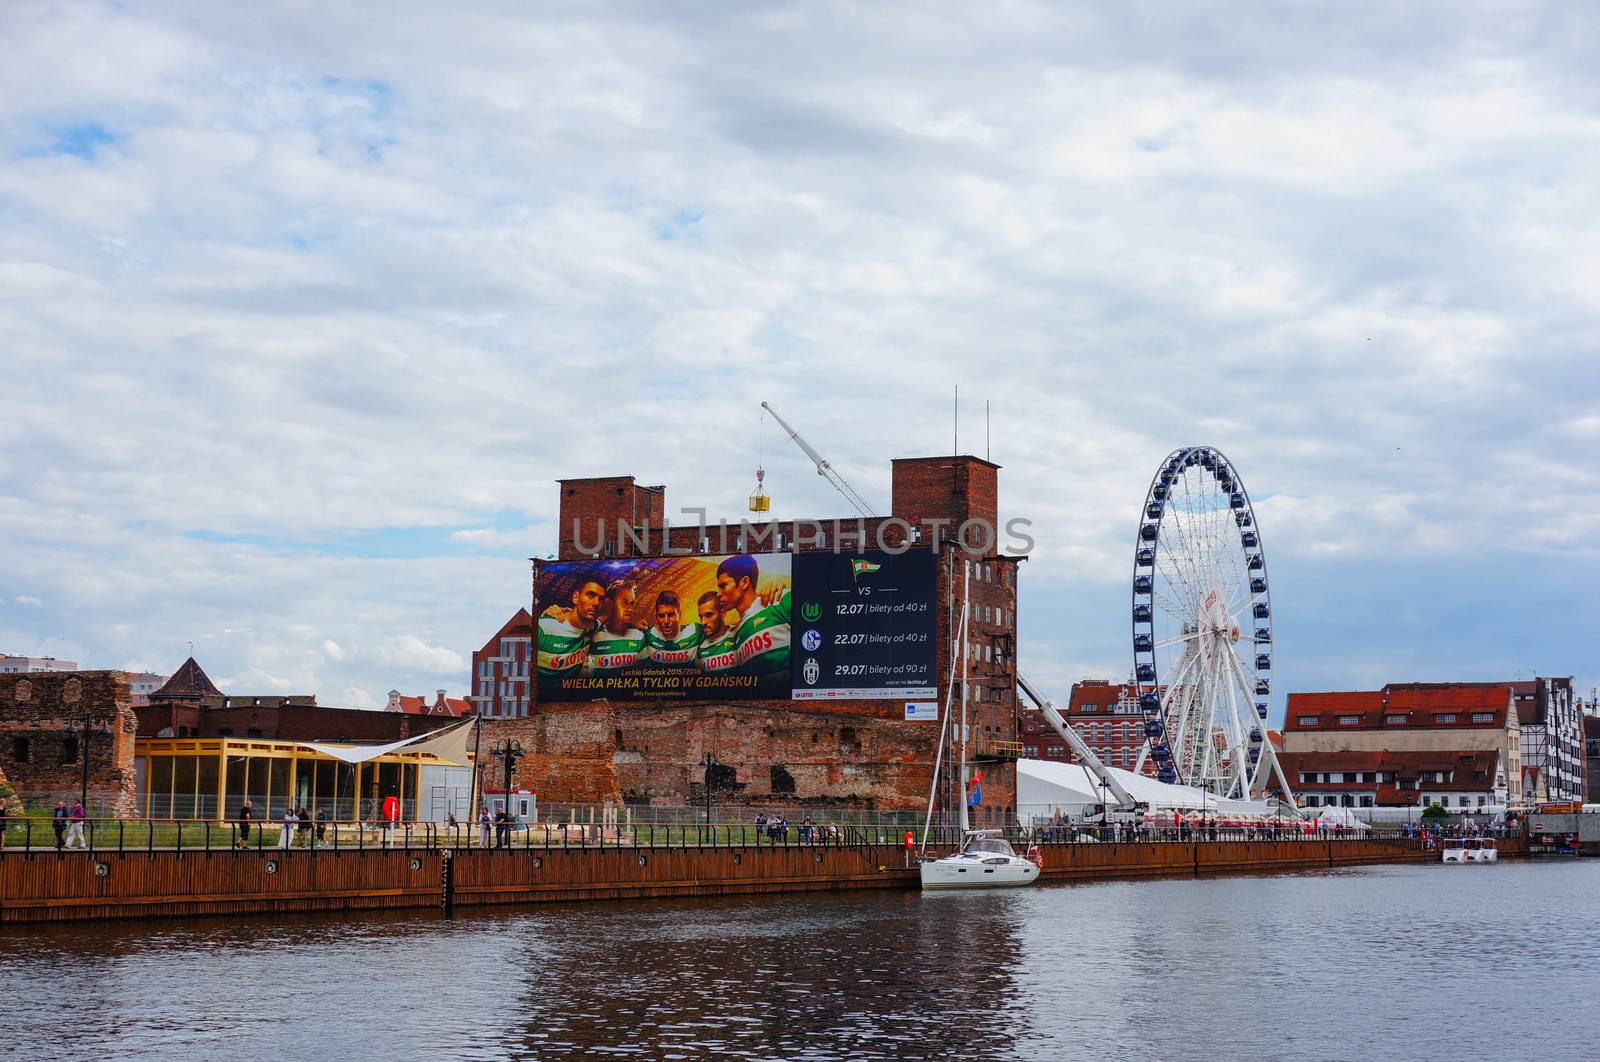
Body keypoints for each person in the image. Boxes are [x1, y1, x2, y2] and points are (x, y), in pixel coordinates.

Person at [715, 555, 790, 677]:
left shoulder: (779, 600)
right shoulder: (733, 634)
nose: (718, 594)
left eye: (723, 586)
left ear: (744, 582)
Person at [537, 578, 606, 679]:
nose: (596, 603)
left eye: (601, 599)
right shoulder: (544, 628)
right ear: (576, 597)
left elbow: (604, 617)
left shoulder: (592, 627)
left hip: (569, 693)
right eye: (590, 595)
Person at [586, 581, 649, 675]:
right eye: (625, 603)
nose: (630, 609)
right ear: (610, 604)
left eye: (632, 603)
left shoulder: (639, 635)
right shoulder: (593, 634)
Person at [641, 590, 700, 667]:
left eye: (671, 615)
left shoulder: (695, 631)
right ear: (656, 617)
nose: (666, 621)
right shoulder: (649, 633)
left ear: (679, 614)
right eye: (661, 616)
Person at [695, 591, 741, 675]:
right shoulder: (698, 649)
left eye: (709, 615)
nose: (703, 622)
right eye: (701, 617)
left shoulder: (738, 632)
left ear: (722, 613)